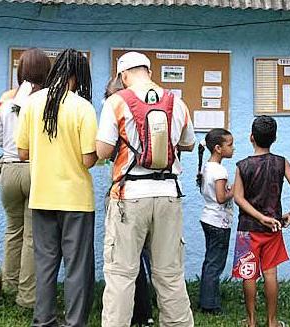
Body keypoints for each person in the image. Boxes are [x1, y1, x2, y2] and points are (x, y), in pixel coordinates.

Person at [96, 51, 195, 327]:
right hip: (168, 195)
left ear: (122, 76)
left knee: (121, 275)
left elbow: (103, 150)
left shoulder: (117, 102)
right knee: (170, 275)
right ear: (149, 72)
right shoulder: (177, 102)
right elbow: (188, 143)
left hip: (129, 197)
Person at [15, 48, 97, 327]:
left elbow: (22, 152)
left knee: (45, 264)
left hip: (41, 196)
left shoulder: (32, 103)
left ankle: (44, 320)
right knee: (76, 267)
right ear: (78, 76)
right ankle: (74, 322)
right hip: (76, 200)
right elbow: (88, 159)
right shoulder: (83, 107)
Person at [0, 48, 52, 309]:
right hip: (34, 169)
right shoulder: (47, 101)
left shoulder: (5, 99)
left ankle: (9, 285)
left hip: (8, 170)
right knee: (31, 236)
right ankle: (27, 298)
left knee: (12, 229)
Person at [232, 116, 290, 327]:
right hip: (273, 228)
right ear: (275, 138)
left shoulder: (242, 166)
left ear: (251, 137)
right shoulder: (281, 162)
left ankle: (251, 321)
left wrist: (259, 217)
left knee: (249, 273)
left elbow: (238, 198)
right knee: (270, 273)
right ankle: (272, 322)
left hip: (247, 228)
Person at [104, 75, 154, 327]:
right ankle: (144, 312)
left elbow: (104, 154)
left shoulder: (115, 113)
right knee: (146, 260)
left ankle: (136, 314)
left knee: (123, 264)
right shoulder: (152, 111)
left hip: (124, 193)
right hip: (156, 193)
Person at [196, 128, 234, 315]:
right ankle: (210, 305)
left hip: (208, 217)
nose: (233, 148)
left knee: (209, 262)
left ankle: (205, 299)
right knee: (215, 264)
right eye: (230, 144)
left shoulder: (207, 166)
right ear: (218, 148)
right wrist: (235, 189)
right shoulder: (220, 170)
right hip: (219, 221)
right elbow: (221, 197)